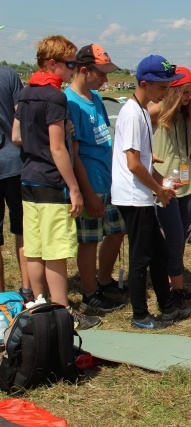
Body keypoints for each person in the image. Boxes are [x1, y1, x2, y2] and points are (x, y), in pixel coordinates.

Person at [12, 35, 100, 329]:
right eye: (70, 64)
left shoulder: (25, 93)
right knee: (57, 250)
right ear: (52, 63)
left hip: (28, 178)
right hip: (52, 181)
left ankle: (38, 303)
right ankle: (61, 313)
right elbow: (58, 148)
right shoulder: (55, 96)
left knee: (35, 247)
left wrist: (36, 140)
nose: (73, 70)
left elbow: (16, 136)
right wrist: (74, 188)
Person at [111, 55, 191, 328]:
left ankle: (167, 308)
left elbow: (145, 161)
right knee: (141, 257)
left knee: (159, 254)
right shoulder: (133, 114)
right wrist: (159, 189)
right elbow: (133, 164)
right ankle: (140, 315)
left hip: (143, 194)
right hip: (133, 197)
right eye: (161, 87)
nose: (166, 92)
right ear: (144, 84)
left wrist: (165, 184)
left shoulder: (144, 112)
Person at [66, 44, 127, 315]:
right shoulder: (71, 103)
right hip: (91, 182)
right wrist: (87, 193)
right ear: (83, 70)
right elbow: (75, 154)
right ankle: (90, 293)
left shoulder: (96, 99)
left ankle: (103, 279)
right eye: (101, 74)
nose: (106, 80)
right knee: (90, 240)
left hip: (110, 179)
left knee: (118, 230)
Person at [148, 66, 191, 305]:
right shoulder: (156, 112)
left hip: (187, 185)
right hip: (163, 184)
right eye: (184, 92)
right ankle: (172, 287)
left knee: (181, 235)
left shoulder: (188, 114)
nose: (188, 97)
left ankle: (176, 285)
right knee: (175, 236)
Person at [0, 65, 31, 299]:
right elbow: (21, 112)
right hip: (13, 161)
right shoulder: (7, 74)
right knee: (24, 229)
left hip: (12, 163)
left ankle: (1, 301)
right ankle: (28, 292)